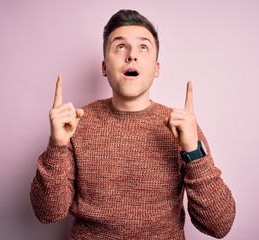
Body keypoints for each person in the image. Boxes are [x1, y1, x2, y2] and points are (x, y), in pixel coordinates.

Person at [30, 9, 236, 239]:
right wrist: (57, 147)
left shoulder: (182, 128)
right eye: (120, 46)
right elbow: (48, 213)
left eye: (143, 47)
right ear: (104, 67)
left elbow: (219, 225)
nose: (131, 55)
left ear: (156, 68)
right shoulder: (76, 124)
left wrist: (194, 153)